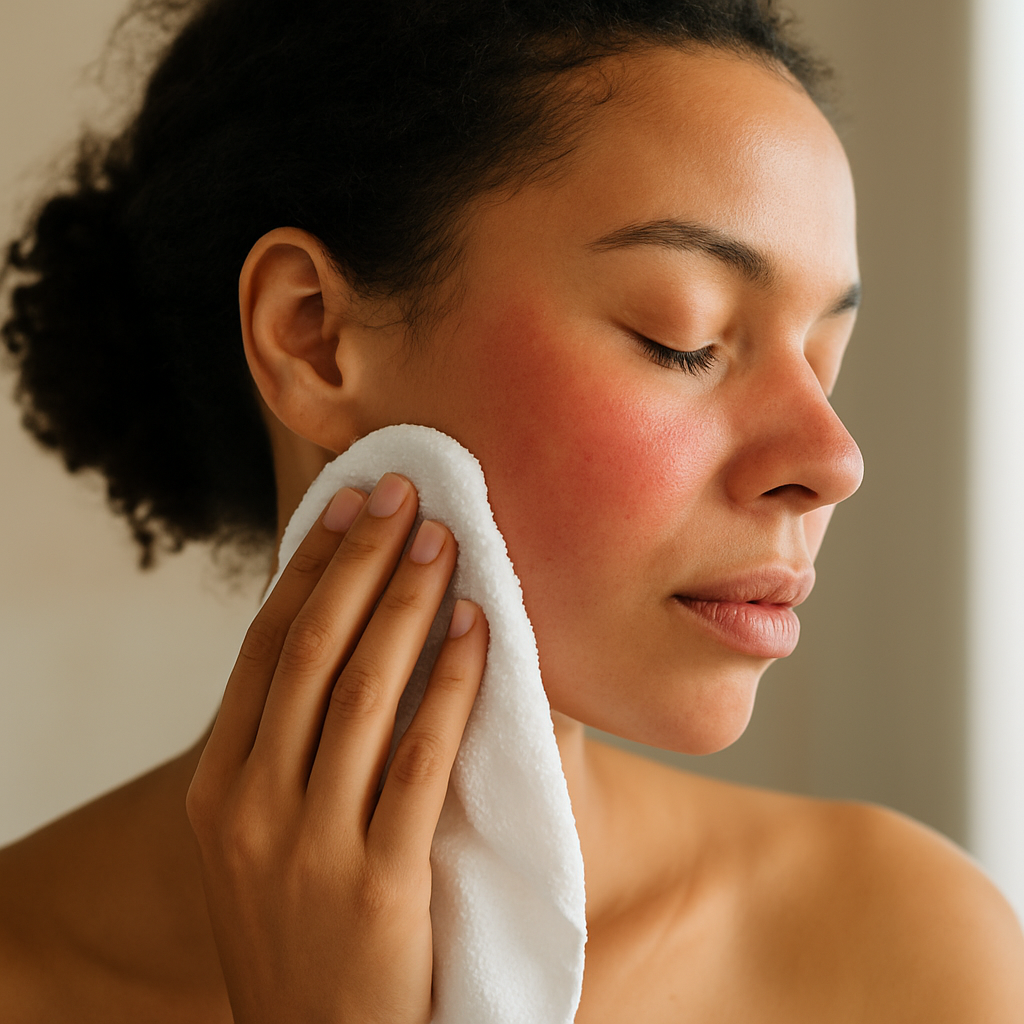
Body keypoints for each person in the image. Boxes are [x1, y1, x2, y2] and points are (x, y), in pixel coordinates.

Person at [1, 0, 1022, 1020]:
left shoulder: (895, 944)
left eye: (822, 362)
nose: (831, 461)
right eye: (686, 338)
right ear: (312, 334)